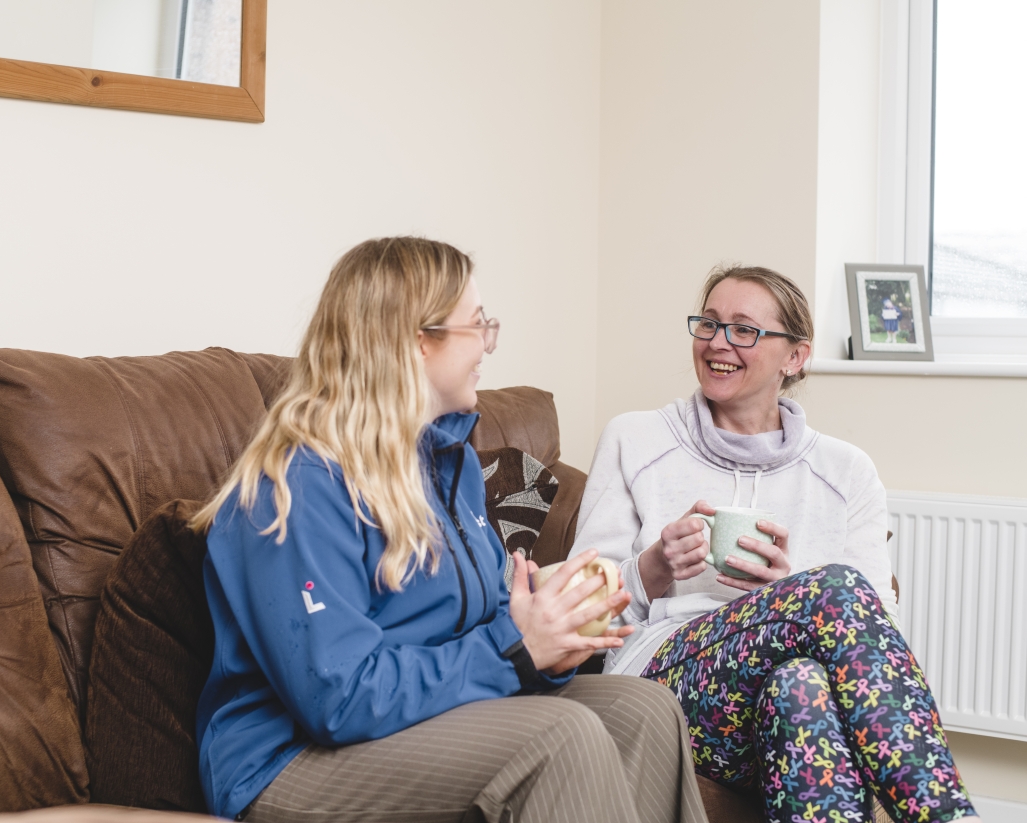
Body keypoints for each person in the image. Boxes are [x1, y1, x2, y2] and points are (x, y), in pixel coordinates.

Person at [192, 237, 707, 823]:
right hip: (287, 761)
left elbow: (488, 617)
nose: (489, 343)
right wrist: (514, 650)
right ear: (417, 341)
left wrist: (550, 633)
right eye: (477, 325)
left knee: (646, 711)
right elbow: (336, 697)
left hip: (422, 715)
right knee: (562, 734)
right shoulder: (293, 488)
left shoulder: (447, 464)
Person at [570, 265, 979, 823]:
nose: (718, 342)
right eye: (708, 323)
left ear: (795, 357)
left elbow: (877, 620)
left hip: (775, 692)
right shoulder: (636, 437)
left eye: (745, 330)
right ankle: (946, 815)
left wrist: (786, 594)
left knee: (802, 685)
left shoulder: (847, 471)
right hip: (662, 678)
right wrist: (655, 566)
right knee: (833, 588)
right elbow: (578, 604)